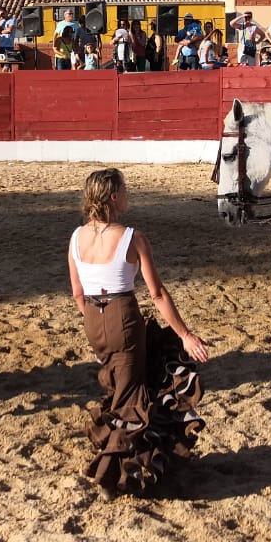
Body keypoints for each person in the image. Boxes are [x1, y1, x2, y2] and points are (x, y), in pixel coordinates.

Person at [67, 167, 208, 494]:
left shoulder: (76, 237)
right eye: (125, 189)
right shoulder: (133, 237)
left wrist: (97, 320)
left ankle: (131, 464)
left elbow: (77, 292)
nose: (129, 194)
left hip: (92, 319)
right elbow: (157, 294)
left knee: (121, 385)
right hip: (123, 317)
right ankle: (115, 475)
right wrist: (185, 335)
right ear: (114, 198)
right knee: (131, 397)